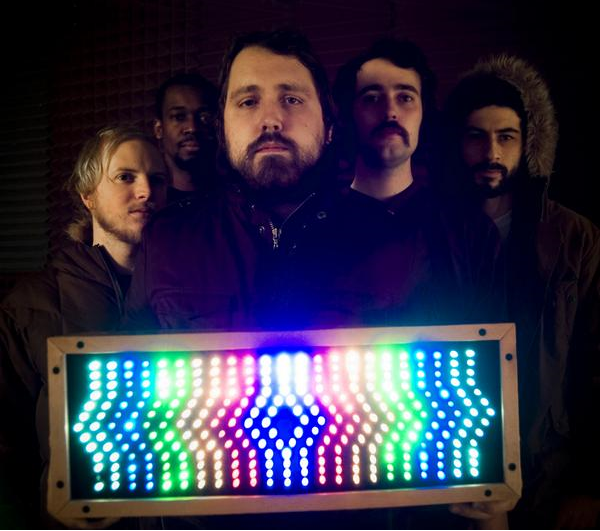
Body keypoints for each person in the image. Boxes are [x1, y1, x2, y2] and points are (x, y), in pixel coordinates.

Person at [443, 54, 600, 529]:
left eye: (506, 136)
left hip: (551, 466)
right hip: (458, 466)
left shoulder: (574, 236)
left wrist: (589, 483)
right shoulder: (433, 232)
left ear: (530, 144)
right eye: (476, 136)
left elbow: (594, 362)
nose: (491, 151)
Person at [0, 125, 168, 528]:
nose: (146, 191)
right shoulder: (31, 305)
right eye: (125, 177)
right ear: (87, 194)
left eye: (157, 179)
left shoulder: (191, 294)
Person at [273, 38, 499, 331]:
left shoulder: (469, 231)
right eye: (372, 98)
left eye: (405, 97)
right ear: (349, 115)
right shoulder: (306, 231)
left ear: (424, 114)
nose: (390, 111)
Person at [124, 29, 335, 332]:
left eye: (292, 99)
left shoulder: (389, 239)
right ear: (222, 128)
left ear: (328, 126)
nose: (271, 121)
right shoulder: (166, 240)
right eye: (248, 102)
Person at [153, 72, 219, 203]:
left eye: (204, 117)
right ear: (159, 129)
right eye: (179, 117)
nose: (192, 128)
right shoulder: (149, 201)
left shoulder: (236, 197)